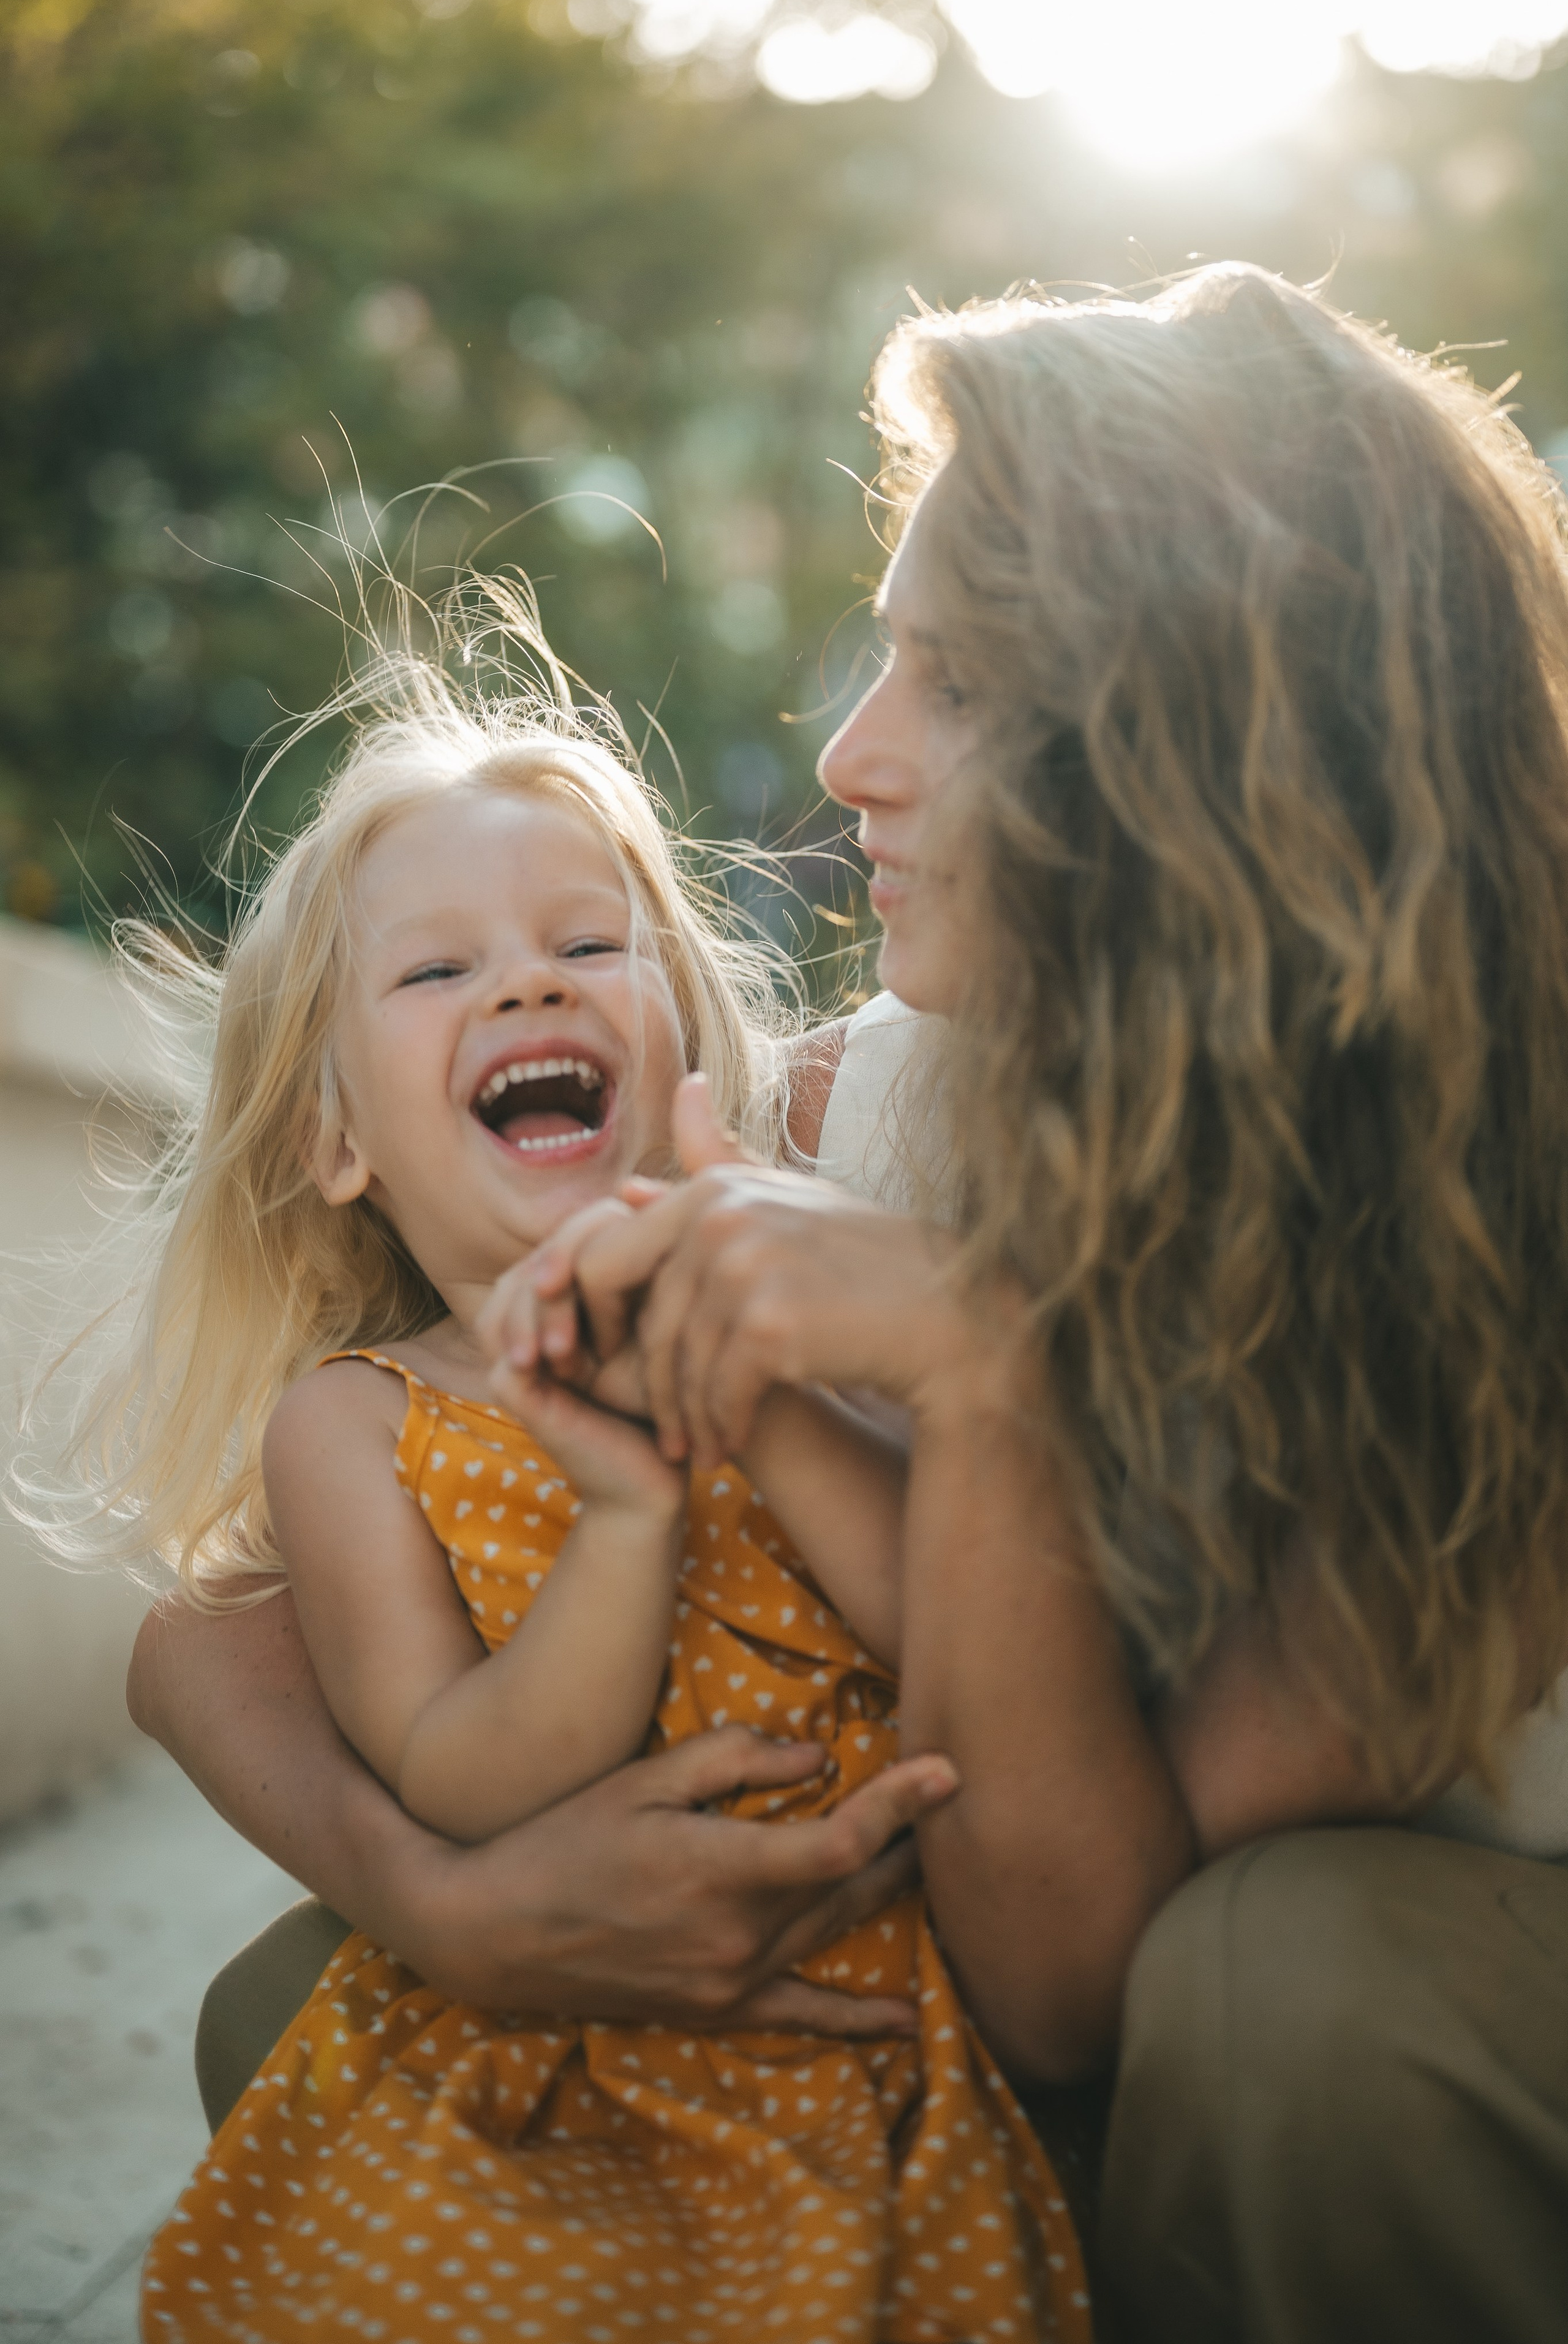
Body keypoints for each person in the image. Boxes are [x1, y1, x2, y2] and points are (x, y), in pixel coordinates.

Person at [128, 260, 1568, 2343]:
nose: (851, 753)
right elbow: (207, 1638)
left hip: (1360, 2018)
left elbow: (1084, 1976)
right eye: (880, 658)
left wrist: (983, 1375)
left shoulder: (1511, 1212)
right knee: (327, 2010)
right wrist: (451, 1893)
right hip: (1032, 1983)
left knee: (1290, 1990)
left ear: (1229, 738)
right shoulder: (879, 1095)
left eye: (960, 683)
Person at [53, 633, 1087, 2341]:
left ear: (683, 1033)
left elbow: (952, 1637)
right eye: (438, 971)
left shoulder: (807, 1303)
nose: (529, 988)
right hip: (569, 2046)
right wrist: (625, 1519)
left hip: (892, 2024)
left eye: (588, 944)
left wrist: (758, 1393)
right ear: (335, 1141)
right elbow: (458, 1778)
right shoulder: (360, 1425)